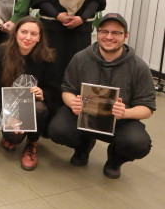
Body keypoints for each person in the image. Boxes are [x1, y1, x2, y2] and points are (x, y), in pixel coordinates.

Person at [48, 13, 155, 179]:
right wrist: (73, 102)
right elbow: (67, 90)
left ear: (126, 35)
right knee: (58, 129)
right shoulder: (80, 58)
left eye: (116, 32)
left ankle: (115, 159)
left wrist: (125, 112)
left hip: (120, 121)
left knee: (138, 143)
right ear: (97, 33)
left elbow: (147, 108)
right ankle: (83, 146)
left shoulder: (139, 67)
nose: (109, 37)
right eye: (104, 31)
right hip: (83, 116)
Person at [0, 16, 60, 171]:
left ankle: (32, 143)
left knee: (39, 108)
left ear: (39, 37)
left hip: (33, 107)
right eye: (24, 32)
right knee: (14, 137)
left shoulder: (47, 57)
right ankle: (10, 136)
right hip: (6, 108)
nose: (28, 37)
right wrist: (6, 118)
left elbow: (54, 90)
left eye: (33, 34)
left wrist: (43, 93)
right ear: (16, 33)